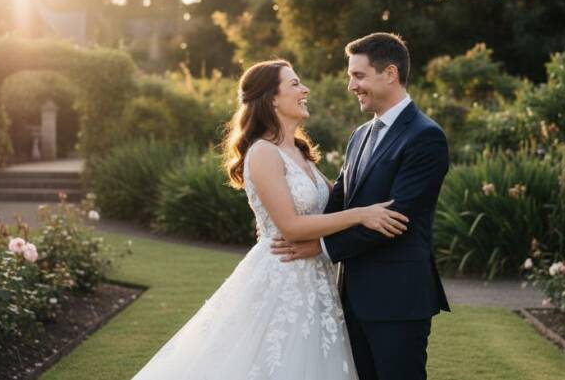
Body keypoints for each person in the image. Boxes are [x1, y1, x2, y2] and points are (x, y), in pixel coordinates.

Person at [130, 59, 409, 379]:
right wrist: (362, 215)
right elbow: (290, 226)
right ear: (272, 98)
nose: (305, 89)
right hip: (282, 276)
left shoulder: (300, 153)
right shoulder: (262, 152)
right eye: (294, 84)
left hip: (316, 279)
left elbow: (330, 206)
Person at [270, 32, 451, 380]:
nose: (351, 85)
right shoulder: (361, 135)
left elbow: (395, 220)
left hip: (397, 299)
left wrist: (319, 246)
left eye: (358, 75)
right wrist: (291, 220)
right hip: (351, 296)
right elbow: (340, 200)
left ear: (390, 74)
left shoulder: (425, 137)